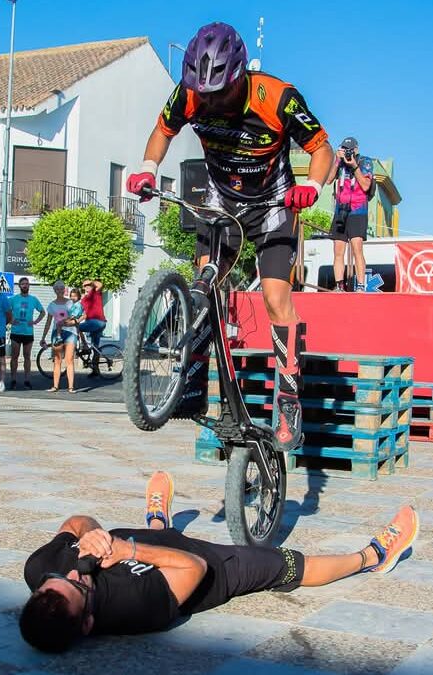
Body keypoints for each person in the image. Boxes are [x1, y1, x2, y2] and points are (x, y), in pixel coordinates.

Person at [127, 21, 333, 453]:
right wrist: (147, 167)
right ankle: (192, 383)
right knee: (204, 286)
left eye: (220, 92)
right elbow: (163, 131)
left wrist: (311, 187)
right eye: (205, 94)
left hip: (275, 205)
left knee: (276, 297)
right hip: (221, 202)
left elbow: (321, 149)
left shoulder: (276, 96)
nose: (212, 101)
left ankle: (289, 398)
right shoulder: (190, 94)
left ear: (238, 76)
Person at [19, 471, 418, 653]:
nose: (75, 571)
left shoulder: (41, 570)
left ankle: (158, 522)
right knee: (289, 566)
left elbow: (75, 522)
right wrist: (128, 552)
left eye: (61, 575)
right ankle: (374, 556)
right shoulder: (133, 610)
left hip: (151, 544)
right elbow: (194, 568)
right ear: (88, 623)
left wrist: (95, 533)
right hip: (213, 568)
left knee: (158, 536)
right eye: (80, 585)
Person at [326, 137, 375, 292]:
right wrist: (336, 160)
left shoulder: (365, 162)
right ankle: (339, 285)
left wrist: (354, 166)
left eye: (350, 149)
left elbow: (366, 186)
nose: (348, 152)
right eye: (345, 149)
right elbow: (328, 180)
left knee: (357, 249)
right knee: (338, 251)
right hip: (341, 210)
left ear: (356, 150)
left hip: (357, 211)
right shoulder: (339, 163)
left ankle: (360, 285)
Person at [41, 281, 79, 393]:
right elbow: (48, 322)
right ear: (54, 291)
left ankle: (71, 387)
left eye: (61, 288)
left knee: (69, 359)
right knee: (57, 359)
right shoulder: (52, 305)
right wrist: (43, 337)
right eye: (57, 289)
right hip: (56, 333)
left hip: (70, 332)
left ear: (64, 290)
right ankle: (55, 386)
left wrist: (69, 324)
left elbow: (76, 318)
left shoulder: (70, 303)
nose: (59, 290)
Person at [7, 276, 45, 390]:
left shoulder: (33, 299)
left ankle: (27, 380)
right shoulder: (13, 299)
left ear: (29, 285)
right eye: (23, 284)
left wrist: (35, 321)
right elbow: (6, 311)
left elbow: (43, 312)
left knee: (27, 356)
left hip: (28, 332)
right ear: (19, 286)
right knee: (14, 356)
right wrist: (11, 320)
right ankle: (13, 379)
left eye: (27, 284)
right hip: (16, 332)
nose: (25, 285)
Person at [78, 279, 107, 376]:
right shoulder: (83, 300)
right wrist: (74, 320)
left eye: (88, 285)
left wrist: (91, 282)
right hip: (95, 323)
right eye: (85, 285)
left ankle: (85, 346)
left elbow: (100, 284)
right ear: (83, 287)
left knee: (76, 328)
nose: (87, 286)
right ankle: (95, 369)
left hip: (97, 322)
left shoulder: (95, 293)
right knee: (95, 347)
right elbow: (82, 314)